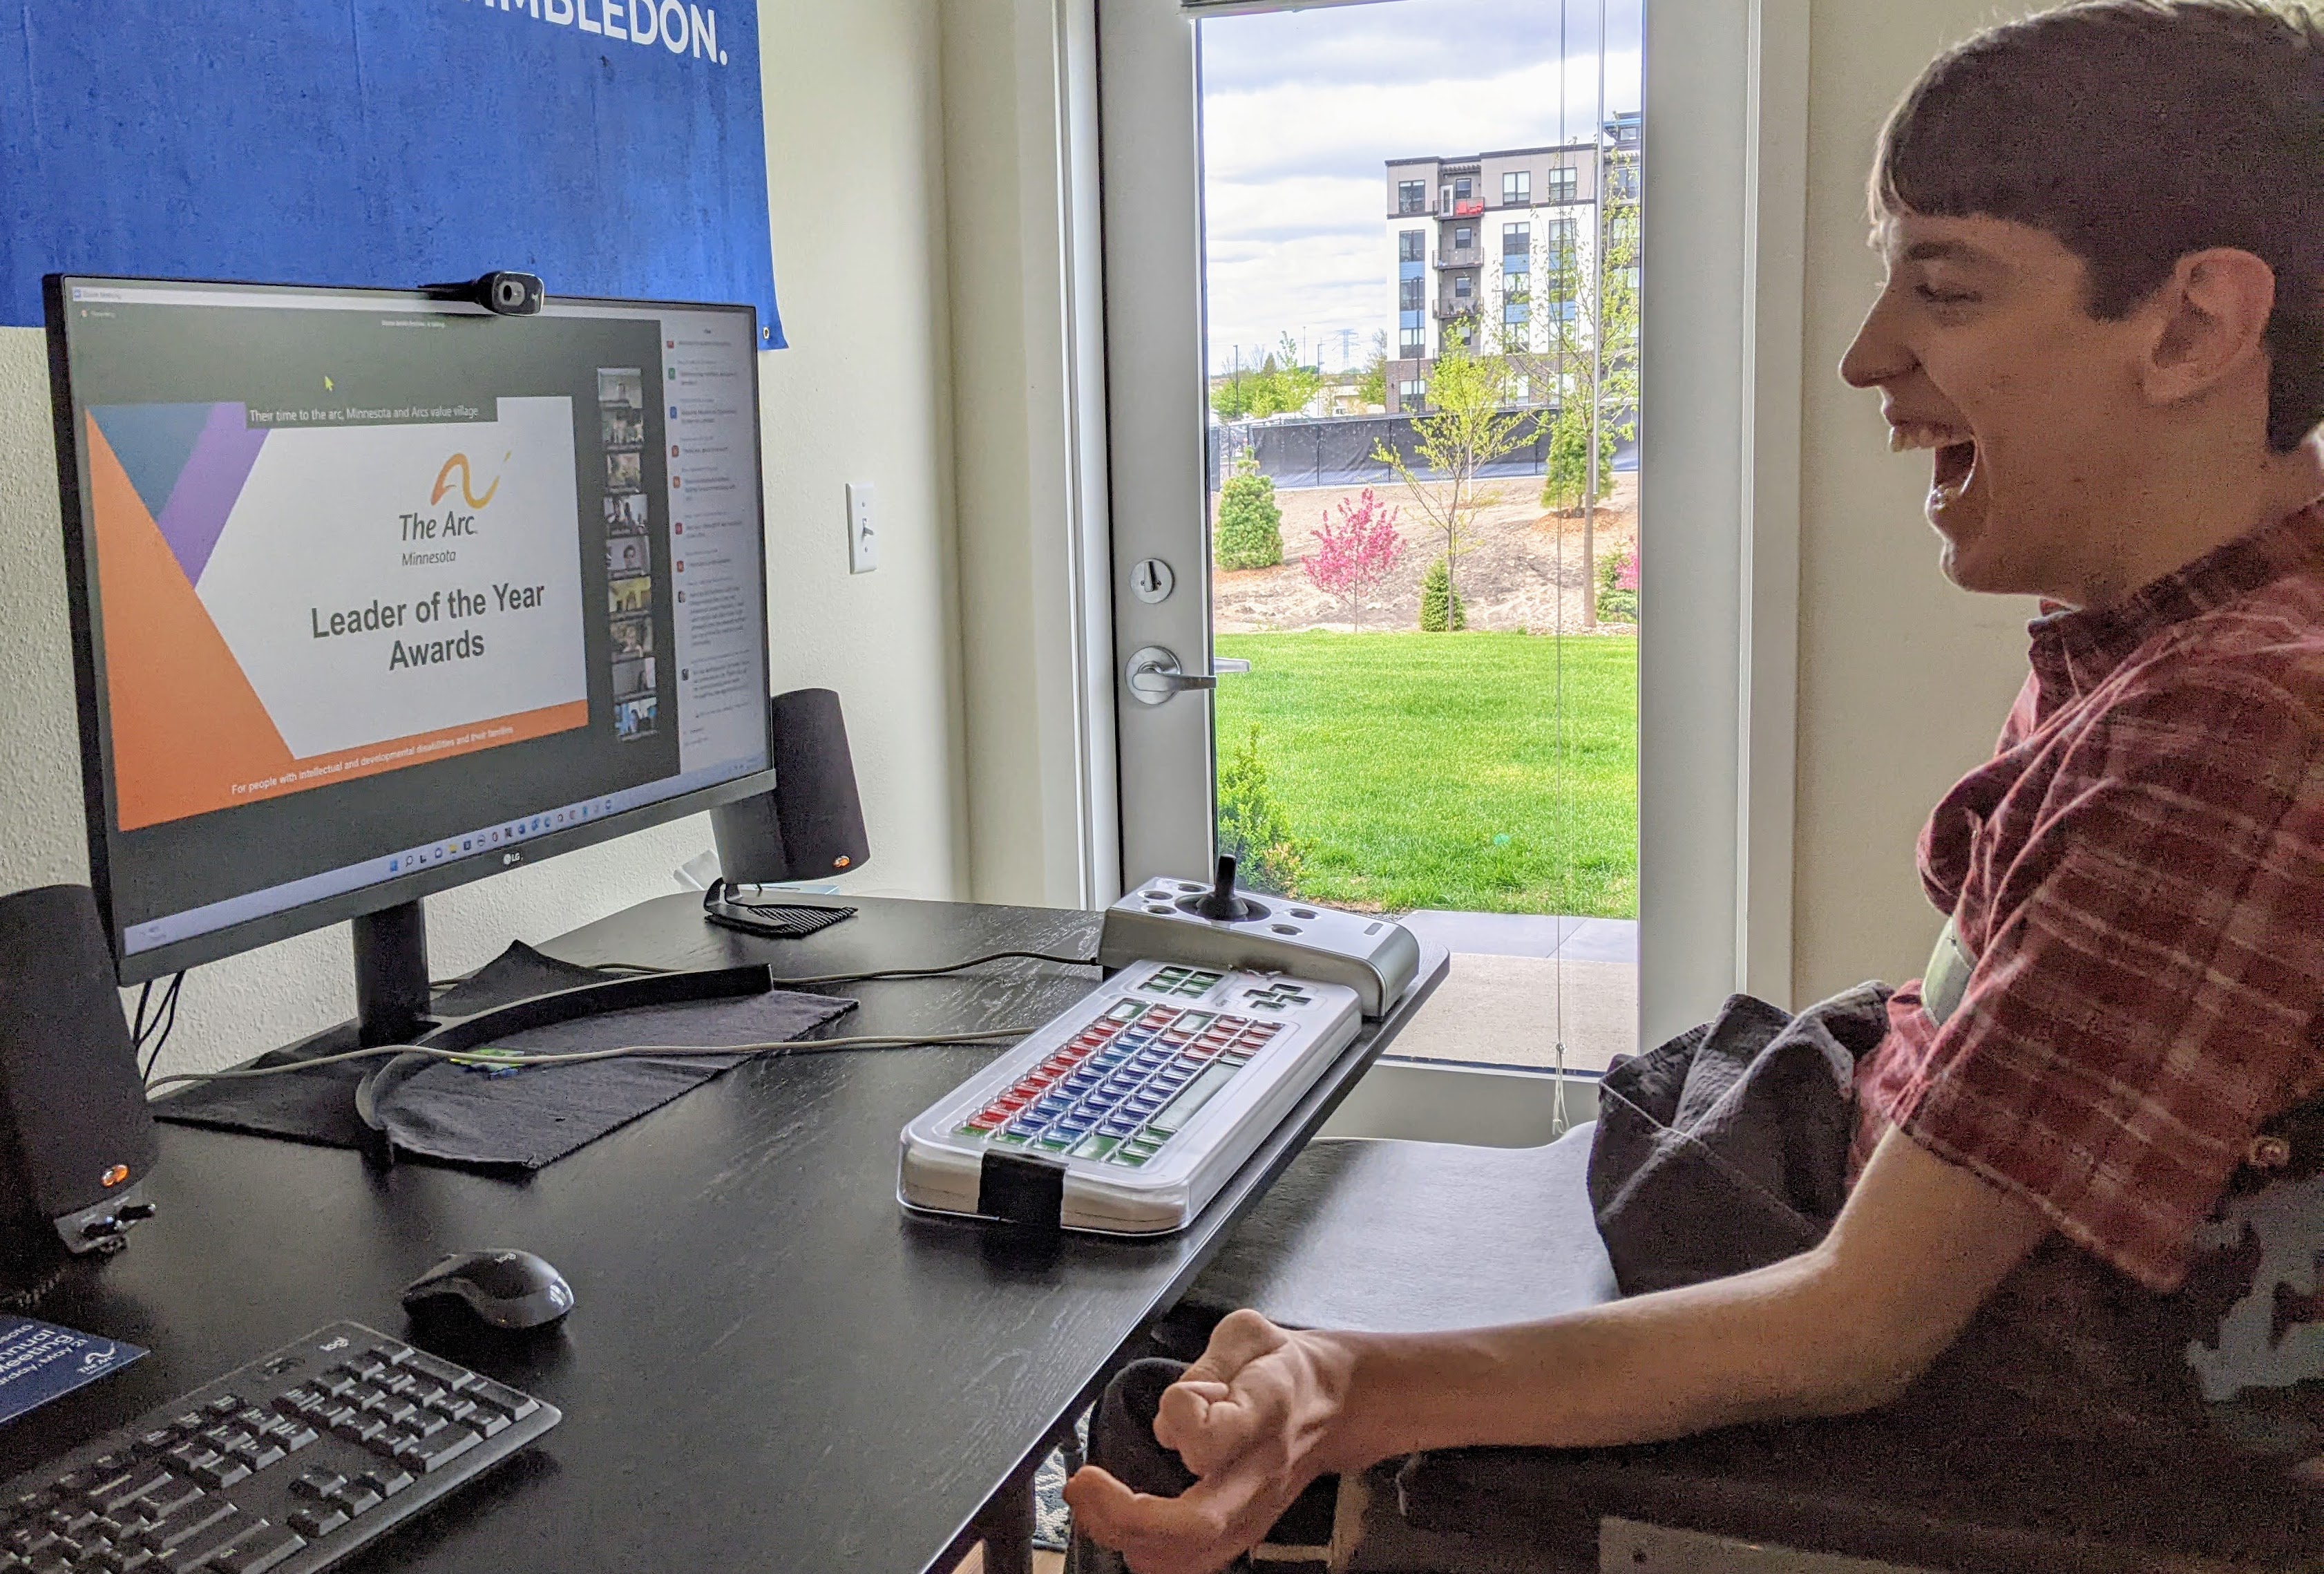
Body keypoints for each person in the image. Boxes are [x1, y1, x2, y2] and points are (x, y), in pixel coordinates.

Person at [1066, 3, 2324, 1570]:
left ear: (2193, 326)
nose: (1869, 355)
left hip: (1930, 1410)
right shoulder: (2153, 646)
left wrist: (1360, 1384)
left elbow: (1857, 1328)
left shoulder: (2235, 719)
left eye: (1941, 286)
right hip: (1820, 1184)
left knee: (1167, 1370)